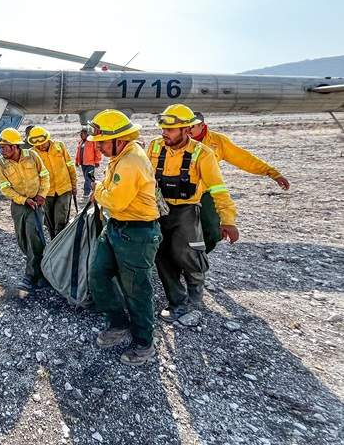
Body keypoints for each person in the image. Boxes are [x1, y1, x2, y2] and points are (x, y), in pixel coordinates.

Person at [148, 104, 239, 321]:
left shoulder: (202, 154)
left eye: (169, 130)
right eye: (162, 129)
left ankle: (195, 285)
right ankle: (177, 302)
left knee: (185, 252)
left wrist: (228, 220)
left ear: (186, 130)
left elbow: (218, 188)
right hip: (157, 210)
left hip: (186, 210)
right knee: (161, 255)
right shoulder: (153, 147)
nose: (164, 134)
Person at [87, 110, 162, 365]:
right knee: (98, 274)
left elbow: (116, 200)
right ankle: (118, 324)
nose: (98, 148)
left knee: (137, 290)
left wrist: (98, 190)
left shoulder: (131, 161)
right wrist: (103, 192)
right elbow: (112, 198)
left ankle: (143, 343)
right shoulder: (120, 156)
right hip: (116, 227)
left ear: (118, 139)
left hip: (137, 233)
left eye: (102, 143)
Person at [190, 112, 290, 252]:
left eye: (192, 126)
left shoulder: (218, 141)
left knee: (213, 232)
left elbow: (244, 159)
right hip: (176, 193)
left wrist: (272, 173)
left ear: (202, 125)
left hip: (205, 193)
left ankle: (195, 259)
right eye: (185, 126)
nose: (188, 130)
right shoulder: (176, 139)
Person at [0, 127, 50, 298]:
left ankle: (31, 276)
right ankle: (40, 270)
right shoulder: (1, 164)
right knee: (23, 240)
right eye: (1, 146)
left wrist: (42, 194)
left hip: (36, 204)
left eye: (5, 146)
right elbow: (5, 188)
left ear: (15, 146)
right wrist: (23, 200)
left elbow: (45, 175)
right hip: (20, 206)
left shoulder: (32, 156)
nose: (2, 150)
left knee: (34, 236)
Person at [27, 126, 77, 238]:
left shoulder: (59, 146)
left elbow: (70, 166)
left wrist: (74, 185)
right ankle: (54, 242)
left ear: (48, 139)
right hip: (45, 193)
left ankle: (60, 243)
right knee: (49, 222)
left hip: (64, 189)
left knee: (61, 220)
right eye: (37, 144)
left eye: (43, 143)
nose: (40, 146)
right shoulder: (32, 154)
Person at [75, 127, 103, 197]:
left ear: (87, 134)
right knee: (89, 178)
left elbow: (97, 151)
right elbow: (78, 152)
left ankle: (86, 193)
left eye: (83, 133)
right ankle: (95, 188)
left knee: (88, 178)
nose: (81, 135)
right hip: (83, 163)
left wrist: (97, 161)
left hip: (90, 163)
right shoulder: (80, 142)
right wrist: (76, 161)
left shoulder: (92, 141)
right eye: (81, 134)